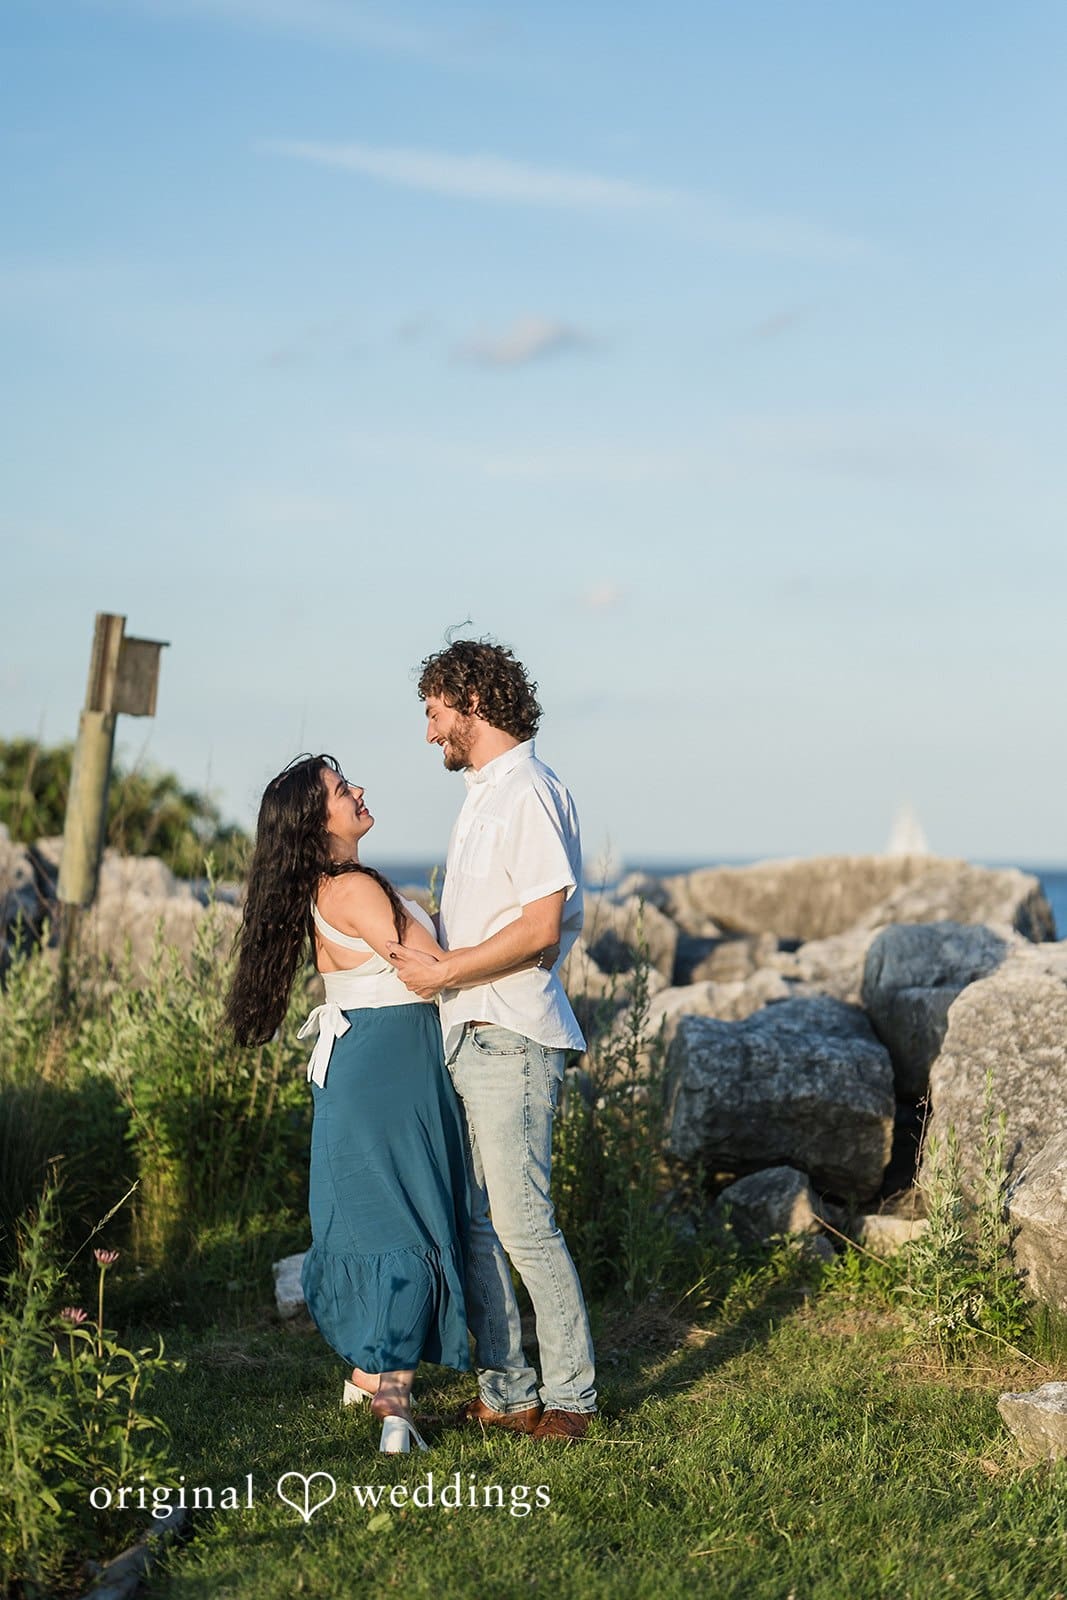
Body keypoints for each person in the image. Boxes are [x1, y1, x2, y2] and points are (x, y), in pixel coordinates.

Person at [225, 753, 473, 1455]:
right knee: (401, 1218)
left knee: (373, 1215)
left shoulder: (324, 889)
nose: (358, 790)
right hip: (387, 1064)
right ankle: (394, 1407)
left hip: (364, 1061)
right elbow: (428, 976)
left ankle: (370, 1375)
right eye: (341, 789)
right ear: (316, 819)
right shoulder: (356, 887)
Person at [389, 639, 597, 1442]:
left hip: (510, 1034)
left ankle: (571, 1398)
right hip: (470, 1035)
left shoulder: (529, 792)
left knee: (521, 1223)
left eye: (434, 713)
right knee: (479, 1223)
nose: (428, 731)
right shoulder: (484, 793)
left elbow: (540, 928)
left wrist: (444, 972)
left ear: (471, 702)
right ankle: (507, 1392)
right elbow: (480, 923)